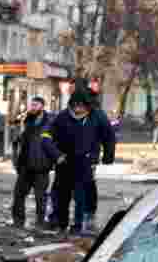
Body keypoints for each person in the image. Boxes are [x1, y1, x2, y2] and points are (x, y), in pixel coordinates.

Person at [44, 89, 116, 236]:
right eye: (75, 106)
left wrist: (108, 156)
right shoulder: (62, 117)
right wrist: (56, 155)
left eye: (81, 106)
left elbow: (109, 137)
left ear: (87, 106)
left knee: (81, 196)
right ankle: (61, 224)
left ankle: (77, 225)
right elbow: (46, 137)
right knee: (62, 196)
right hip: (64, 161)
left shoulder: (97, 116)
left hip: (85, 161)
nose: (78, 109)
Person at [10, 96, 59, 230]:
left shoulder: (51, 121)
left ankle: (40, 222)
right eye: (31, 105)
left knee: (40, 197)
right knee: (19, 194)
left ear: (42, 106)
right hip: (25, 165)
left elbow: (56, 141)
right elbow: (18, 141)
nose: (32, 107)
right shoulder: (26, 121)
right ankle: (18, 221)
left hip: (41, 166)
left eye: (35, 105)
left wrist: (54, 158)